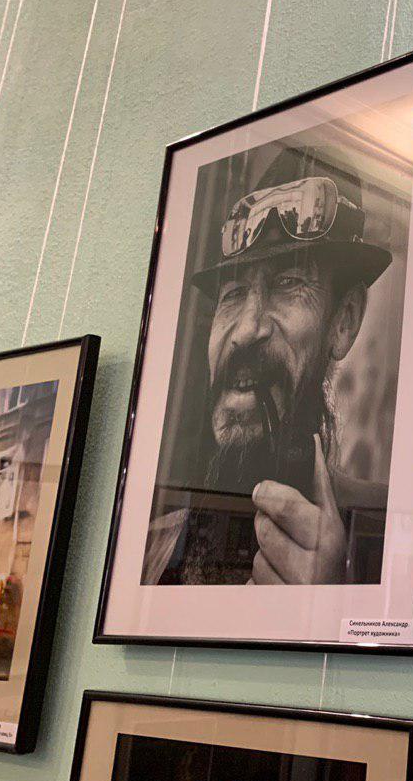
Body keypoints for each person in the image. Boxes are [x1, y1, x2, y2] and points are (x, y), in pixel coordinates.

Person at [143, 148, 391, 585]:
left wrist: (329, 601)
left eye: (287, 283)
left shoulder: (384, 532)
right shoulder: (149, 542)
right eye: (233, 294)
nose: (246, 330)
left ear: (343, 322)